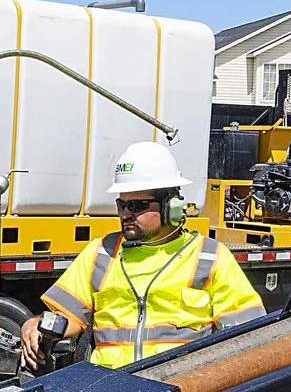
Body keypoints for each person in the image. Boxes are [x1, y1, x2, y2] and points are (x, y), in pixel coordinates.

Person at [19, 142, 268, 370]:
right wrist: (36, 323)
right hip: (108, 388)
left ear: (171, 205)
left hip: (181, 391)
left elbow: (246, 336)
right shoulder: (101, 253)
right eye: (122, 205)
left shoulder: (209, 256)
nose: (126, 213)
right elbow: (67, 317)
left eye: (137, 206)